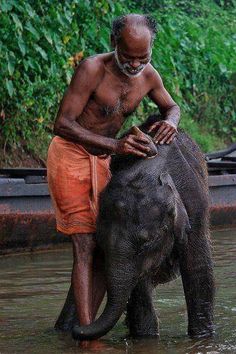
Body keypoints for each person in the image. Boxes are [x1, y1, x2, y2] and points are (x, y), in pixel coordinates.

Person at [47, 13, 180, 347]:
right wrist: (117, 145)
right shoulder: (92, 69)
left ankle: (85, 324)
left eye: (143, 57)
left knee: (108, 242)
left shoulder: (149, 75)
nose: (135, 64)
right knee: (85, 243)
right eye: (128, 57)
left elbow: (172, 106)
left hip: (104, 160)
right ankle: (88, 338)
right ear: (114, 45)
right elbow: (62, 123)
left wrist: (172, 122)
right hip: (71, 155)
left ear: (151, 50)